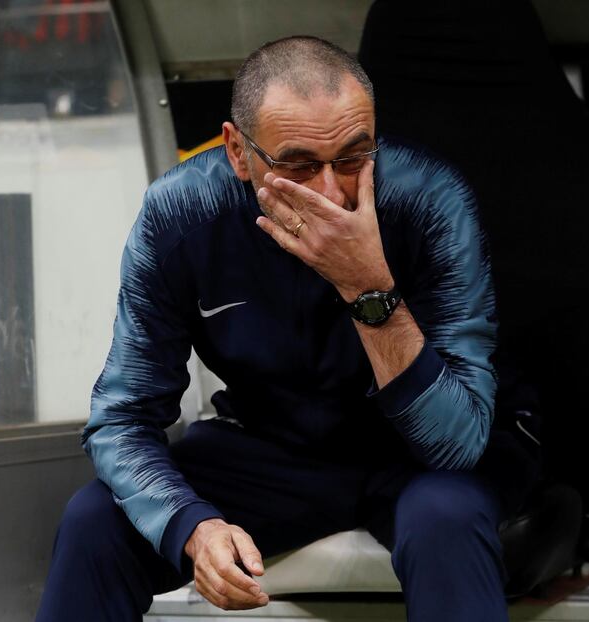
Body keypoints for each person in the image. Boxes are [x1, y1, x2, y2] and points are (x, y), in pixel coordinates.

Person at [36, 36, 521, 622]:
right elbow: (121, 418)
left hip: (409, 454)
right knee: (95, 520)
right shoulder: (182, 213)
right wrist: (193, 526)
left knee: (446, 516)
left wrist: (368, 289)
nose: (331, 192)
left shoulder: (429, 199)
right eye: (297, 166)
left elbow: (458, 442)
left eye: (353, 157)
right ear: (238, 151)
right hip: (268, 447)